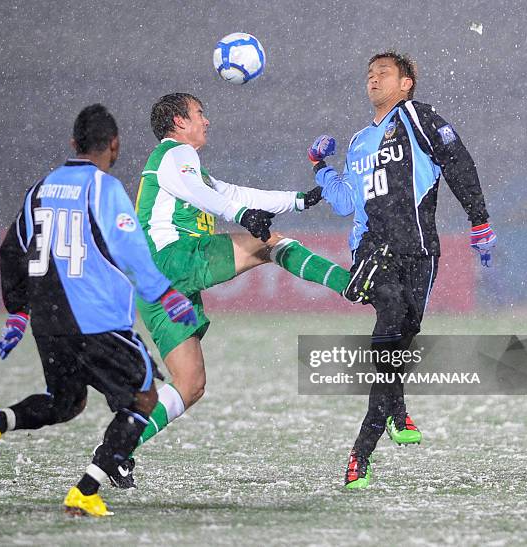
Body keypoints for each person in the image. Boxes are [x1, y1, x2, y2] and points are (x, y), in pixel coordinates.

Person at [100, 92, 389, 488]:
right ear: (179, 122)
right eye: (199, 113)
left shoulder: (185, 166)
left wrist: (301, 200)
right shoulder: (174, 154)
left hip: (157, 284)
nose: (206, 120)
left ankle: (116, 451)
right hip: (174, 258)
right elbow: (217, 201)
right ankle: (350, 284)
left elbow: (234, 194)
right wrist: (241, 216)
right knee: (271, 245)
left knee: (190, 384)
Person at [0, 104, 197, 516]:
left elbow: (11, 248)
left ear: (73, 143)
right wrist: (165, 294)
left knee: (66, 402)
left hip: (49, 323)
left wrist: (18, 311)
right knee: (142, 399)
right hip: (96, 320)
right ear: (115, 145)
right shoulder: (104, 189)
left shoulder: (40, 188)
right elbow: (131, 249)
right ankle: (86, 491)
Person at [307, 51, 496, 489]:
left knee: (399, 344)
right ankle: (360, 454)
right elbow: (347, 202)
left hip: (421, 252)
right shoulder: (358, 142)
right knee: (390, 323)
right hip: (374, 251)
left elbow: (458, 161)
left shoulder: (415, 116)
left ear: (406, 83)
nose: (373, 79)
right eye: (369, 74)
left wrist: (479, 219)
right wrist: (320, 169)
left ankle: (392, 411)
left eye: (384, 73)